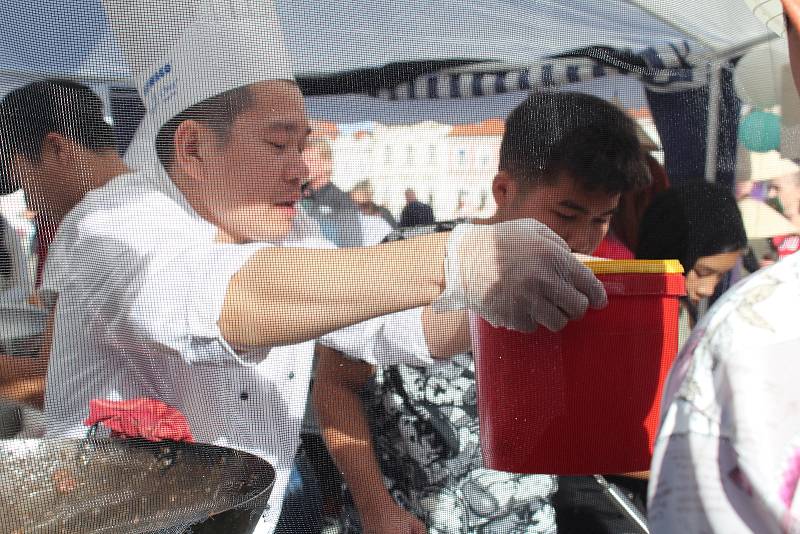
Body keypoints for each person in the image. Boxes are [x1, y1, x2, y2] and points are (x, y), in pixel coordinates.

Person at [42, 2, 606, 533]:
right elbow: (244, 300)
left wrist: (518, 290)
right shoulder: (111, 225)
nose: (304, 171)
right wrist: (456, 257)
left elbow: (400, 327)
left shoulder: (299, 230)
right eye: (279, 144)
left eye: (304, 145)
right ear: (191, 150)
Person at [313, 91, 651, 534]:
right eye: (567, 213)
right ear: (504, 190)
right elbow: (334, 384)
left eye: (601, 219)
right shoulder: (413, 260)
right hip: (411, 522)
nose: (581, 239)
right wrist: (377, 507)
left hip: (529, 521)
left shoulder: (589, 281)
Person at [647, 1, 800, 531]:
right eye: (704, 271)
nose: (705, 286)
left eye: (716, 274)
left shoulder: (744, 333)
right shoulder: (736, 333)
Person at [0, 80, 129, 436]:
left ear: (56, 148)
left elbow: (54, 386)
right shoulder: (162, 201)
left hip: (114, 469)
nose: (27, 202)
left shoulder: (88, 228)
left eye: (22, 179)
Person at [637, 182, 748, 345]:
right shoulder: (650, 319)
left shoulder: (682, 313)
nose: (708, 289)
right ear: (669, 251)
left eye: (721, 276)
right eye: (702, 272)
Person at [301, 137, 364, 247]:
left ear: (327, 164)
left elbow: (352, 243)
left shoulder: (341, 200)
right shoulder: (294, 195)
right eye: (302, 160)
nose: (305, 165)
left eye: (311, 160)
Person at [350, 181, 395, 246]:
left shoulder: (382, 215)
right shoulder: (352, 217)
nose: (353, 200)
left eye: (358, 195)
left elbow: (394, 235)